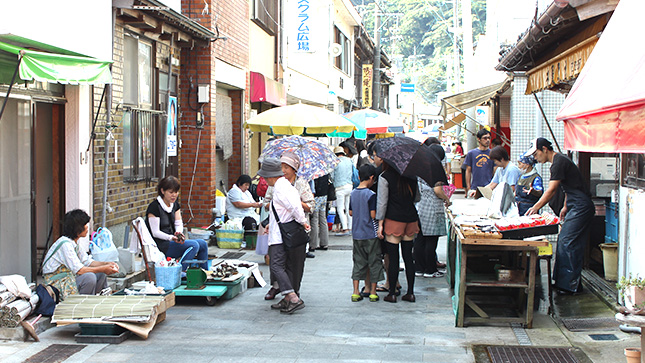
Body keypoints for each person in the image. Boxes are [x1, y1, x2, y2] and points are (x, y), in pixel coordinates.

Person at [526, 138, 594, 294]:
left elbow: (552, 190)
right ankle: (567, 283)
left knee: (567, 241)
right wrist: (565, 206)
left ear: (544, 149)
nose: (535, 158)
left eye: (536, 154)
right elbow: (568, 187)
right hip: (575, 204)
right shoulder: (560, 161)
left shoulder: (558, 163)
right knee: (566, 240)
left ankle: (570, 286)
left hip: (581, 206)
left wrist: (535, 208)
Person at [259, 158, 311, 314]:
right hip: (280, 232)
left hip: (280, 236)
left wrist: (302, 222)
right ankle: (288, 298)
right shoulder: (282, 186)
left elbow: (295, 207)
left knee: (276, 265)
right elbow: (282, 211)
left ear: (270, 176)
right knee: (283, 266)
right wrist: (271, 224)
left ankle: (292, 296)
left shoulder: (281, 188)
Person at [42, 209, 119, 297]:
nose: (87, 227)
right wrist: (103, 268)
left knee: (100, 274)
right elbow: (79, 270)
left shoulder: (74, 243)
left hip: (69, 278)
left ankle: (96, 300)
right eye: (84, 225)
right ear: (77, 229)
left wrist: (107, 264)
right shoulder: (65, 245)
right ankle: (83, 304)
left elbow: (87, 261)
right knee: (89, 278)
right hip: (57, 283)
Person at [376, 161, 419, 303]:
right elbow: (417, 198)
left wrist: (380, 224)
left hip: (393, 220)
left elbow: (382, 203)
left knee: (393, 258)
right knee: (408, 257)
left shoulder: (385, 176)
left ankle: (392, 293)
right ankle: (411, 293)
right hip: (411, 219)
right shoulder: (412, 176)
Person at [146, 176, 208, 271]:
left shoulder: (175, 205)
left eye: (176, 192)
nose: (174, 195)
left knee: (203, 243)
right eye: (171, 192)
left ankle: (204, 272)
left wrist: (178, 233)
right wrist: (171, 237)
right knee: (194, 245)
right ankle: (179, 271)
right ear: (162, 191)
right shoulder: (154, 207)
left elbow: (178, 223)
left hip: (173, 241)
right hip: (161, 245)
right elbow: (155, 232)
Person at [415, 144, 452, 279]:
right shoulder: (436, 169)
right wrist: (446, 198)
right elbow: (437, 190)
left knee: (420, 239)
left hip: (421, 206)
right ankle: (430, 270)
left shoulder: (420, 167)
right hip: (432, 207)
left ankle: (419, 268)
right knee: (431, 239)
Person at [349, 164, 382, 302]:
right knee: (374, 262)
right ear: (372, 178)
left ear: (358, 176)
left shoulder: (353, 193)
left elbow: (351, 212)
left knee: (358, 262)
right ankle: (373, 292)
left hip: (357, 233)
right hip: (371, 233)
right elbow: (373, 214)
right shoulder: (371, 195)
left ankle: (356, 291)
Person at [464, 129, 494, 198]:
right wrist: (469, 188)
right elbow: (468, 171)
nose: (487, 140)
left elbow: (495, 171)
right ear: (479, 139)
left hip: (489, 188)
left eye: (489, 138)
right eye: (485, 138)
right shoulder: (471, 153)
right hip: (474, 187)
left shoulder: (493, 153)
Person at [331, 145, 353, 235]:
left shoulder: (335, 162)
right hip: (349, 185)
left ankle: (344, 228)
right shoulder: (349, 160)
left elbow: (332, 176)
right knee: (348, 208)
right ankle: (350, 227)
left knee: (340, 209)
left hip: (340, 187)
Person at [309, 174, 330, 253]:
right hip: (324, 195)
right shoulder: (324, 170)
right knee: (323, 218)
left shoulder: (314, 171)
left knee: (314, 218)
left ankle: (313, 244)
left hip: (316, 195)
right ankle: (324, 243)